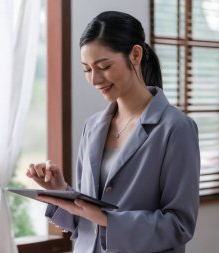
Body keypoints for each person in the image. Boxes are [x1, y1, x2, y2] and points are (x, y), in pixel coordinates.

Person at [26, 11, 200, 253]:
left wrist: (107, 219)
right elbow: (85, 223)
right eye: (87, 69)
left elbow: (179, 226)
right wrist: (61, 191)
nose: (95, 79)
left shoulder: (176, 128)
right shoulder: (93, 127)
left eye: (104, 66)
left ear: (135, 55)